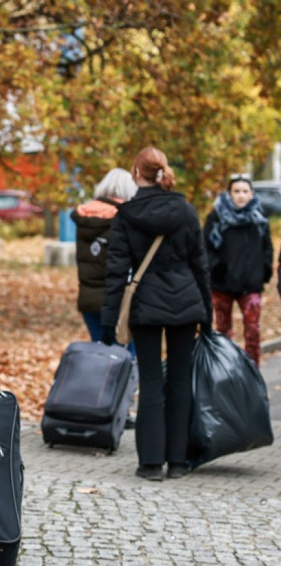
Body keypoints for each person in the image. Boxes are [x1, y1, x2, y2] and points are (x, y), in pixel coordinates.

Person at [101, 147, 212, 481]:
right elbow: (200, 265)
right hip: (186, 303)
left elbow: (116, 271)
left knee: (151, 382)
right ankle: (178, 461)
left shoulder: (127, 215)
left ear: (137, 173)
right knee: (180, 381)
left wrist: (109, 320)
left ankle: (150, 463)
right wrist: (207, 314)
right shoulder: (187, 211)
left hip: (145, 303)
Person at [203, 173, 273, 367]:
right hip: (222, 284)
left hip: (251, 285)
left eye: (245, 191)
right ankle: (225, 372)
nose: (241, 195)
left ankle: (252, 373)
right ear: (229, 193)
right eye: (236, 191)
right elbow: (205, 248)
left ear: (252, 193)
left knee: (253, 332)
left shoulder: (259, 218)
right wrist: (217, 267)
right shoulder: (216, 217)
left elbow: (267, 248)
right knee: (223, 333)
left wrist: (264, 273)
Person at [72, 167, 138, 350]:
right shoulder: (123, 219)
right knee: (127, 355)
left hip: (88, 299)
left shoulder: (85, 216)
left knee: (101, 354)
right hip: (118, 300)